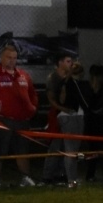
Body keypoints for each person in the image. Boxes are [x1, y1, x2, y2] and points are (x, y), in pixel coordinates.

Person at [0, 45, 39, 189]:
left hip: (22, 120)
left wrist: (32, 108)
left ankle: (25, 177)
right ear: (1, 58)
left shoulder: (23, 75)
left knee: (22, 150)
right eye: (8, 57)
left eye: (14, 58)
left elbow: (33, 93)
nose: (12, 60)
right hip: (2, 120)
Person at [58, 62, 93, 188]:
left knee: (73, 149)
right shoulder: (72, 83)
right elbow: (82, 100)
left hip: (74, 115)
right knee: (71, 150)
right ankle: (71, 179)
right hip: (71, 116)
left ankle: (72, 177)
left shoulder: (68, 83)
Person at [41, 51, 74, 186]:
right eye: (68, 61)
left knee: (66, 145)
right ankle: (48, 175)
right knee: (55, 145)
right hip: (57, 114)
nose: (71, 64)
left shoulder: (69, 78)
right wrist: (62, 109)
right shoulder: (53, 78)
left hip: (67, 115)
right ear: (60, 62)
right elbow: (51, 99)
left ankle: (62, 173)